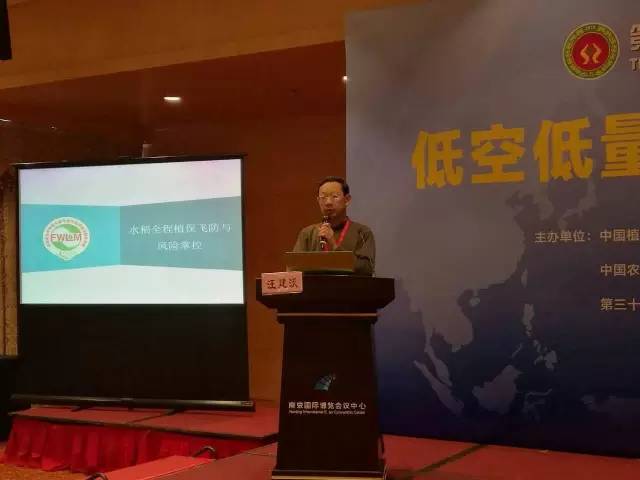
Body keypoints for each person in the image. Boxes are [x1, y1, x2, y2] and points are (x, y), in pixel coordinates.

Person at [293, 176, 375, 275]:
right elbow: (294, 268)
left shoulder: (362, 232)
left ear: (347, 200)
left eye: (335, 196)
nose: (328, 202)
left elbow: (366, 268)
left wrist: (334, 245)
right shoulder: (308, 233)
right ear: (318, 201)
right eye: (323, 197)